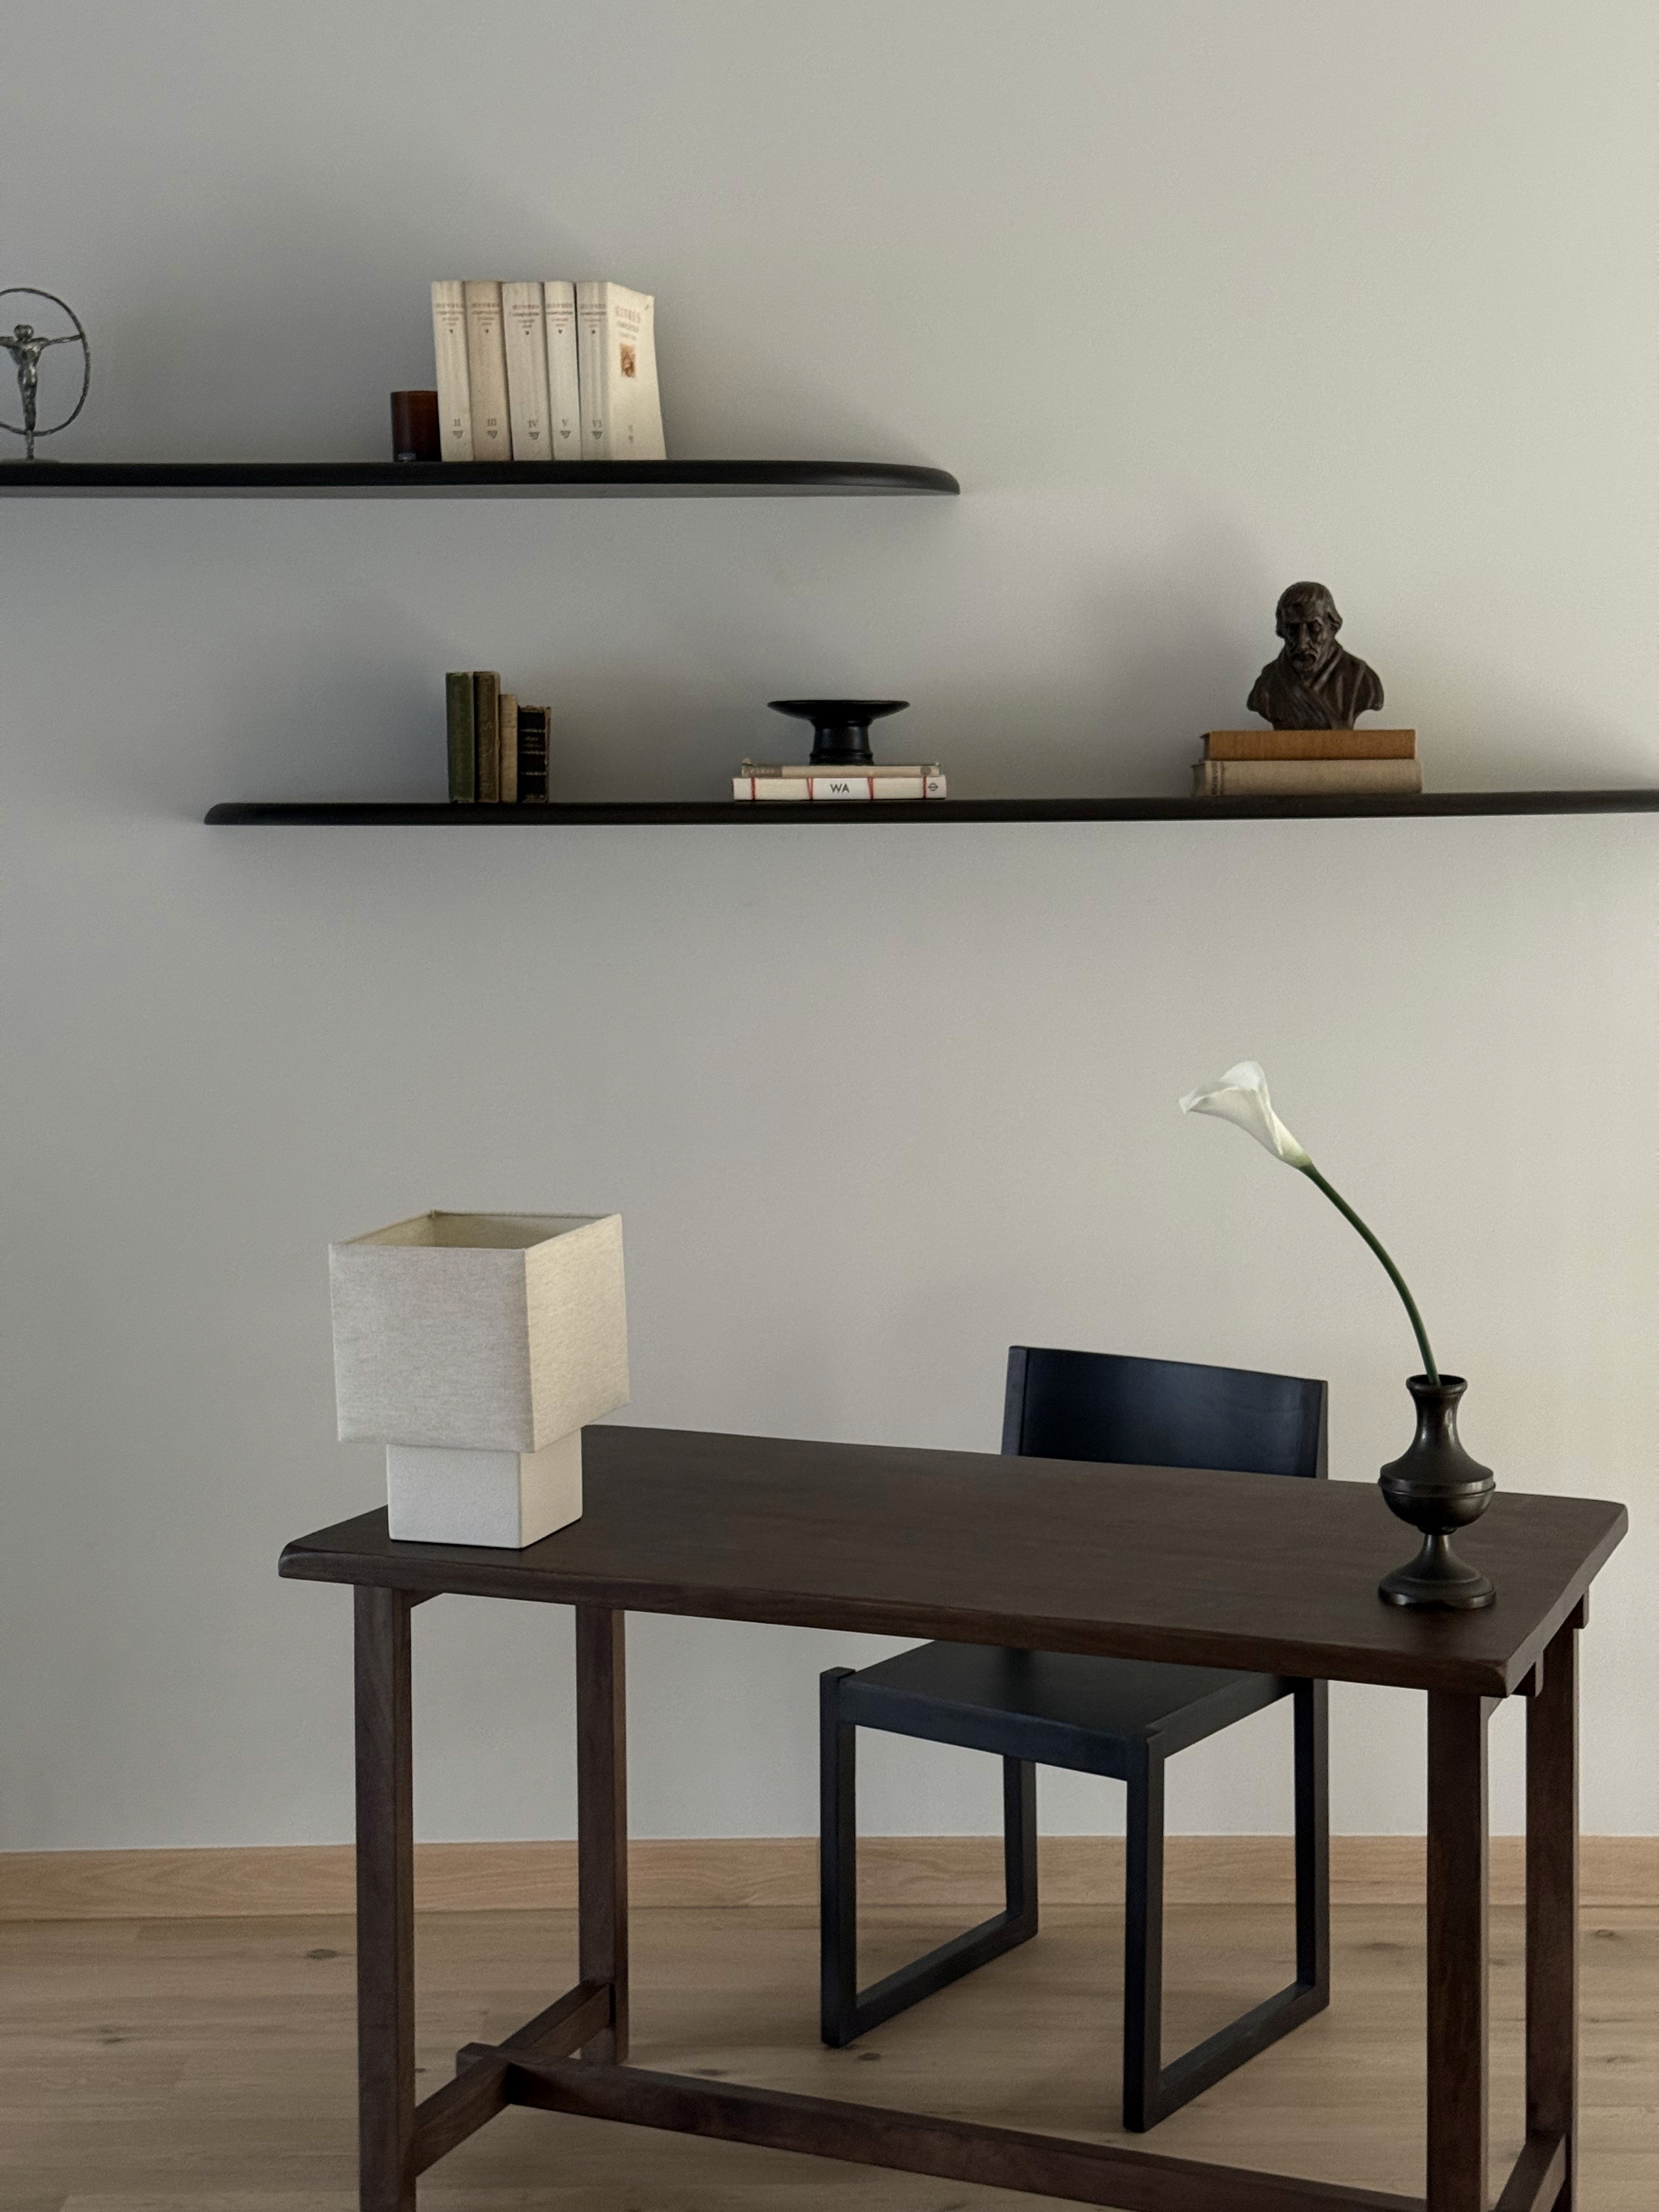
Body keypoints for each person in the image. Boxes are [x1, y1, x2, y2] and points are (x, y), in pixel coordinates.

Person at [1246, 582, 1384, 730]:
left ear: (1332, 627)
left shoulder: (1363, 680)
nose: (1302, 644)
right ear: (1282, 631)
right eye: (1292, 630)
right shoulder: (1267, 684)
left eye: (1314, 629)